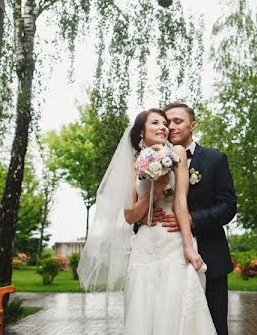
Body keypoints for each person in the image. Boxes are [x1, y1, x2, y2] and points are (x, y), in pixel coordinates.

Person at [78, 108, 217, 335]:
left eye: (165, 123)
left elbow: (181, 202)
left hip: (173, 242)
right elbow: (130, 215)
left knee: (177, 306)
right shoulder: (132, 163)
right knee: (143, 307)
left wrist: (187, 246)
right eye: (156, 123)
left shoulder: (178, 153)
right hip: (145, 244)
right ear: (141, 132)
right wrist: (154, 191)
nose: (164, 127)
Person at [149, 103, 237, 335]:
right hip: (166, 255)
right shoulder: (153, 161)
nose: (172, 127)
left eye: (178, 121)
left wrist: (191, 220)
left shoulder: (215, 159)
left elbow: (228, 207)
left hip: (210, 254)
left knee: (213, 324)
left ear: (193, 125)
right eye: (168, 122)